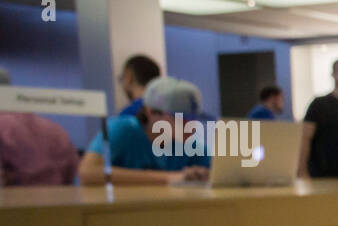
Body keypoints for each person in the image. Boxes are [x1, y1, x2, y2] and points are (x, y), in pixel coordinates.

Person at [78, 77, 210, 185]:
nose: (191, 126)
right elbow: (87, 172)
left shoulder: (190, 146)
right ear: (151, 112)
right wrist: (170, 177)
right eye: (181, 119)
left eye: (195, 119)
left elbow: (218, 175)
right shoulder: (121, 130)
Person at [0, 67, 79, 186]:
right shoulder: (54, 130)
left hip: (15, 203)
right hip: (59, 202)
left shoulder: (4, 128)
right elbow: (72, 175)